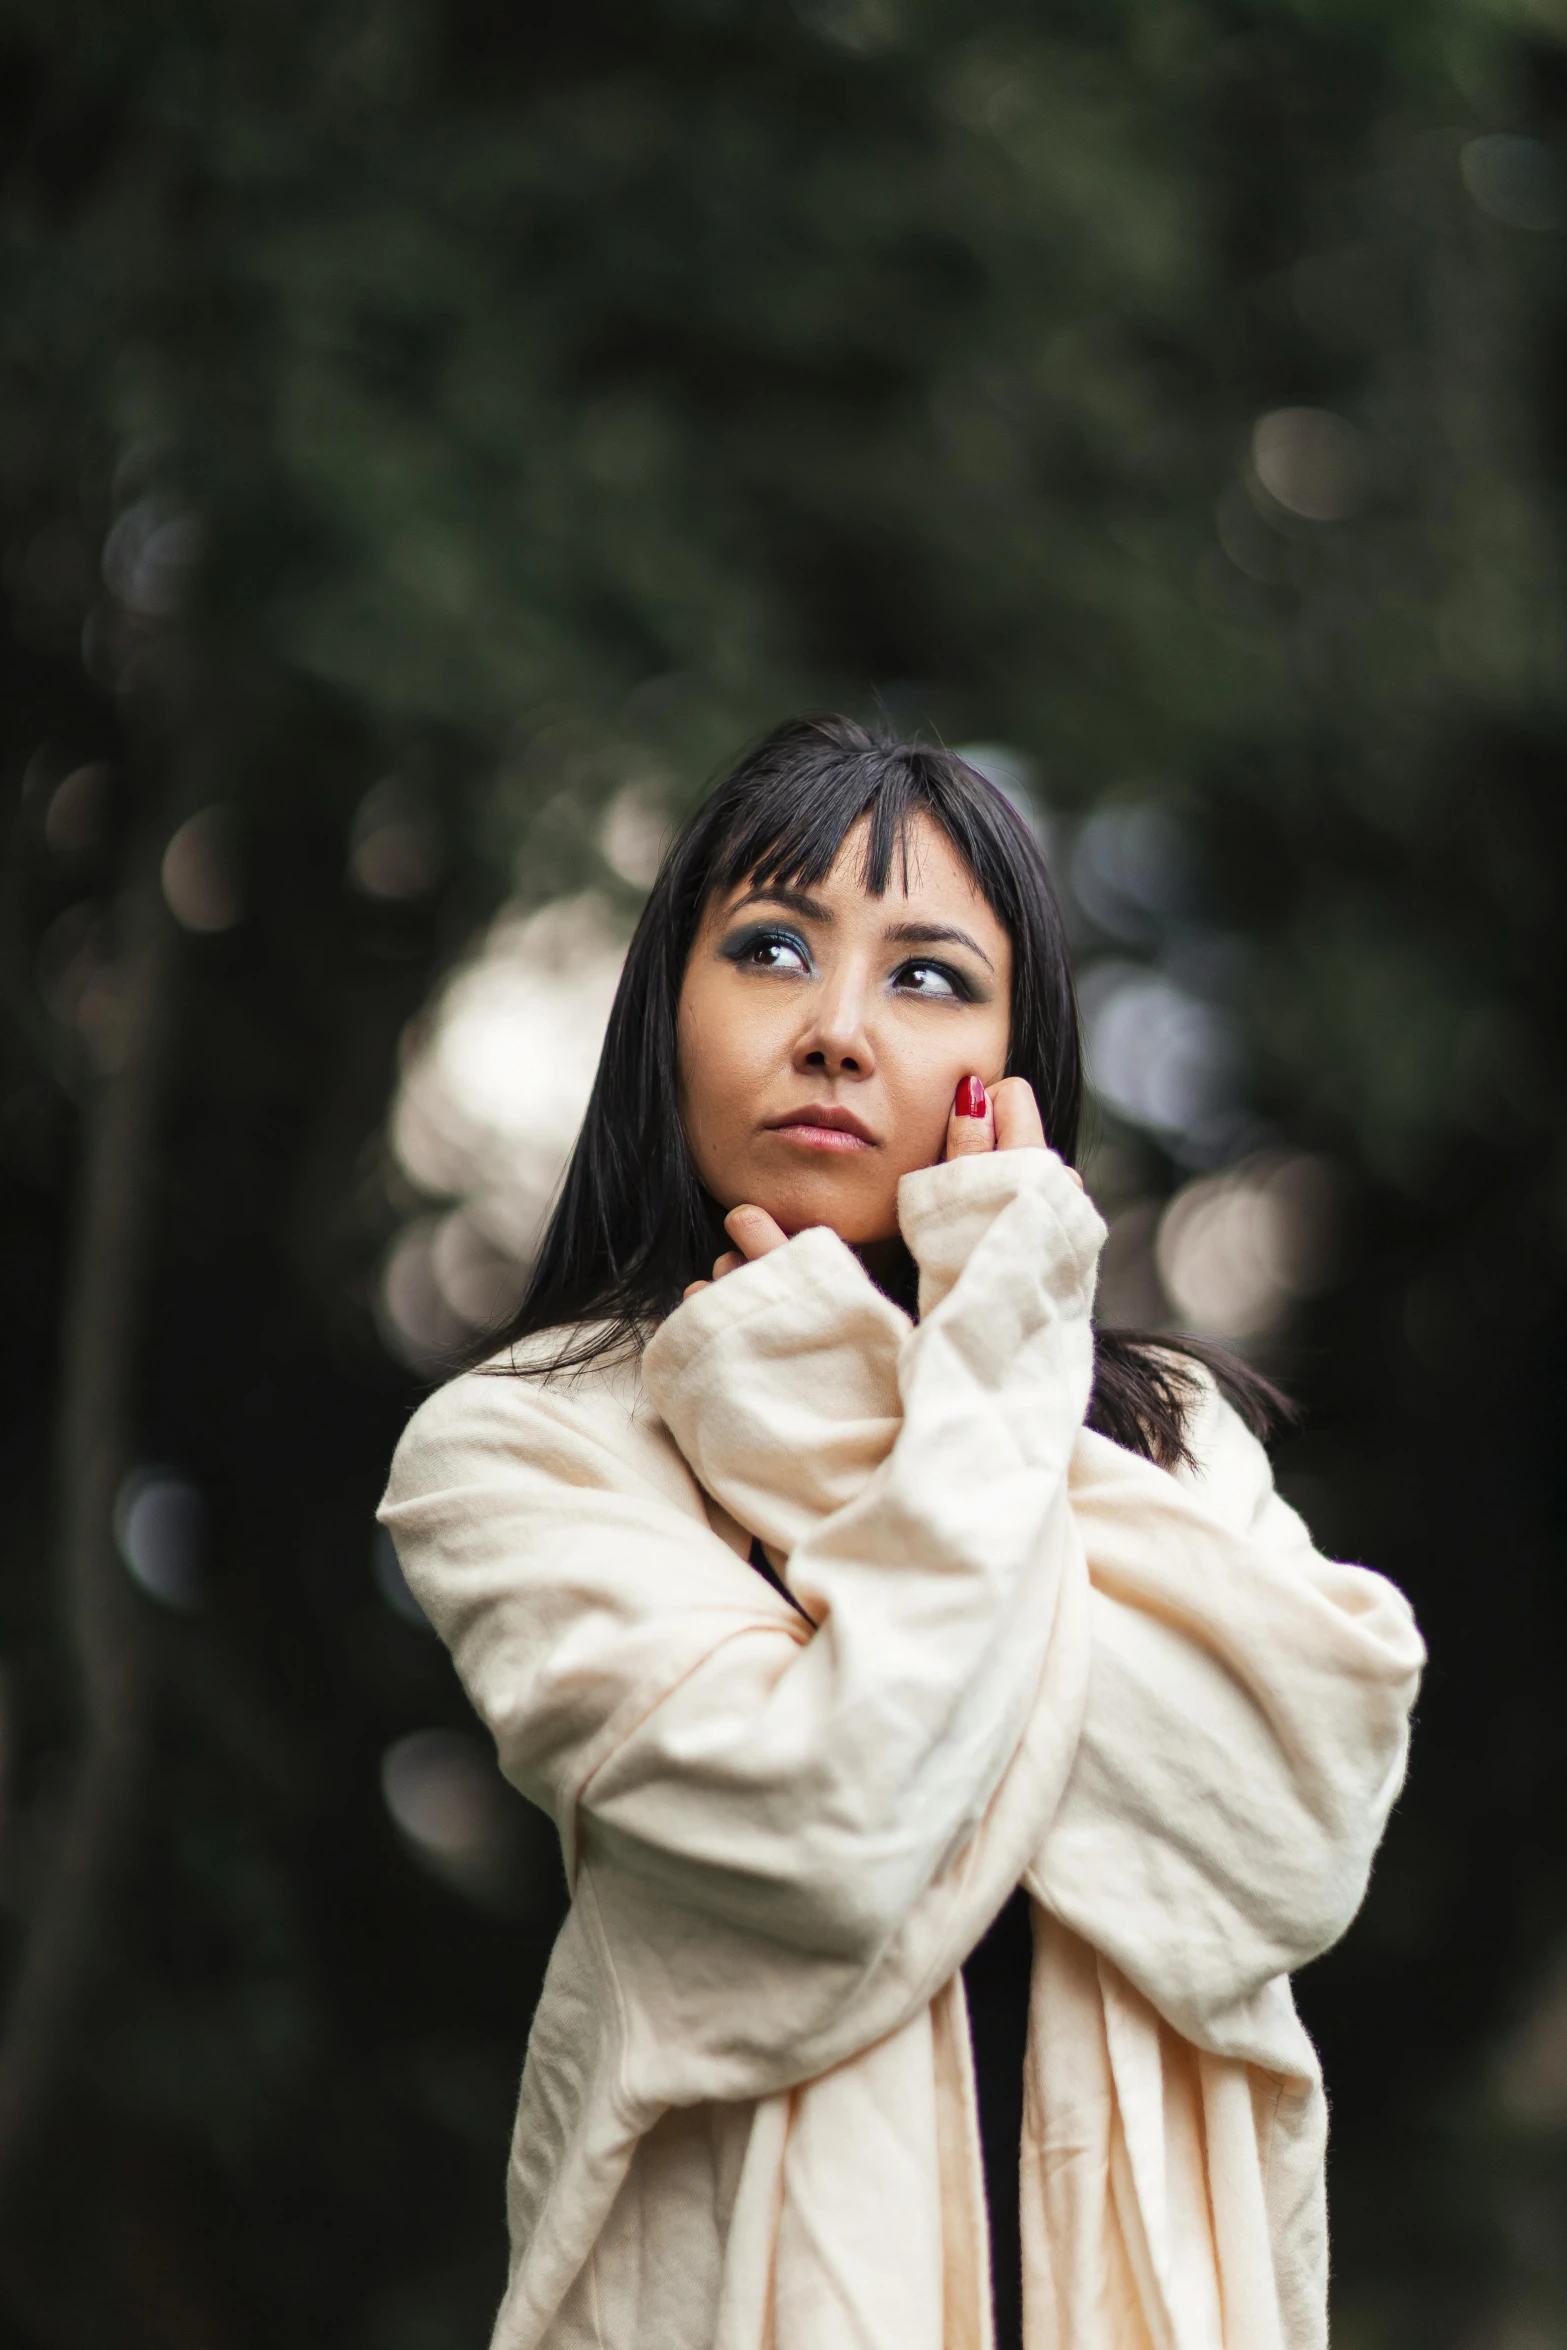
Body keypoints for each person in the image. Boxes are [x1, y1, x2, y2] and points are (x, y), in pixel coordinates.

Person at [378, 716, 1424, 2350]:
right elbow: (827, 1822)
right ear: (667, 1013)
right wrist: (963, 1361)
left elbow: (1299, 1827)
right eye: (772, 949)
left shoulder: (1163, 1436)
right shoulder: (533, 1446)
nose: (839, 1030)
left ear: (1014, 1070)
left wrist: (947, 1357)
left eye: (928, 974)